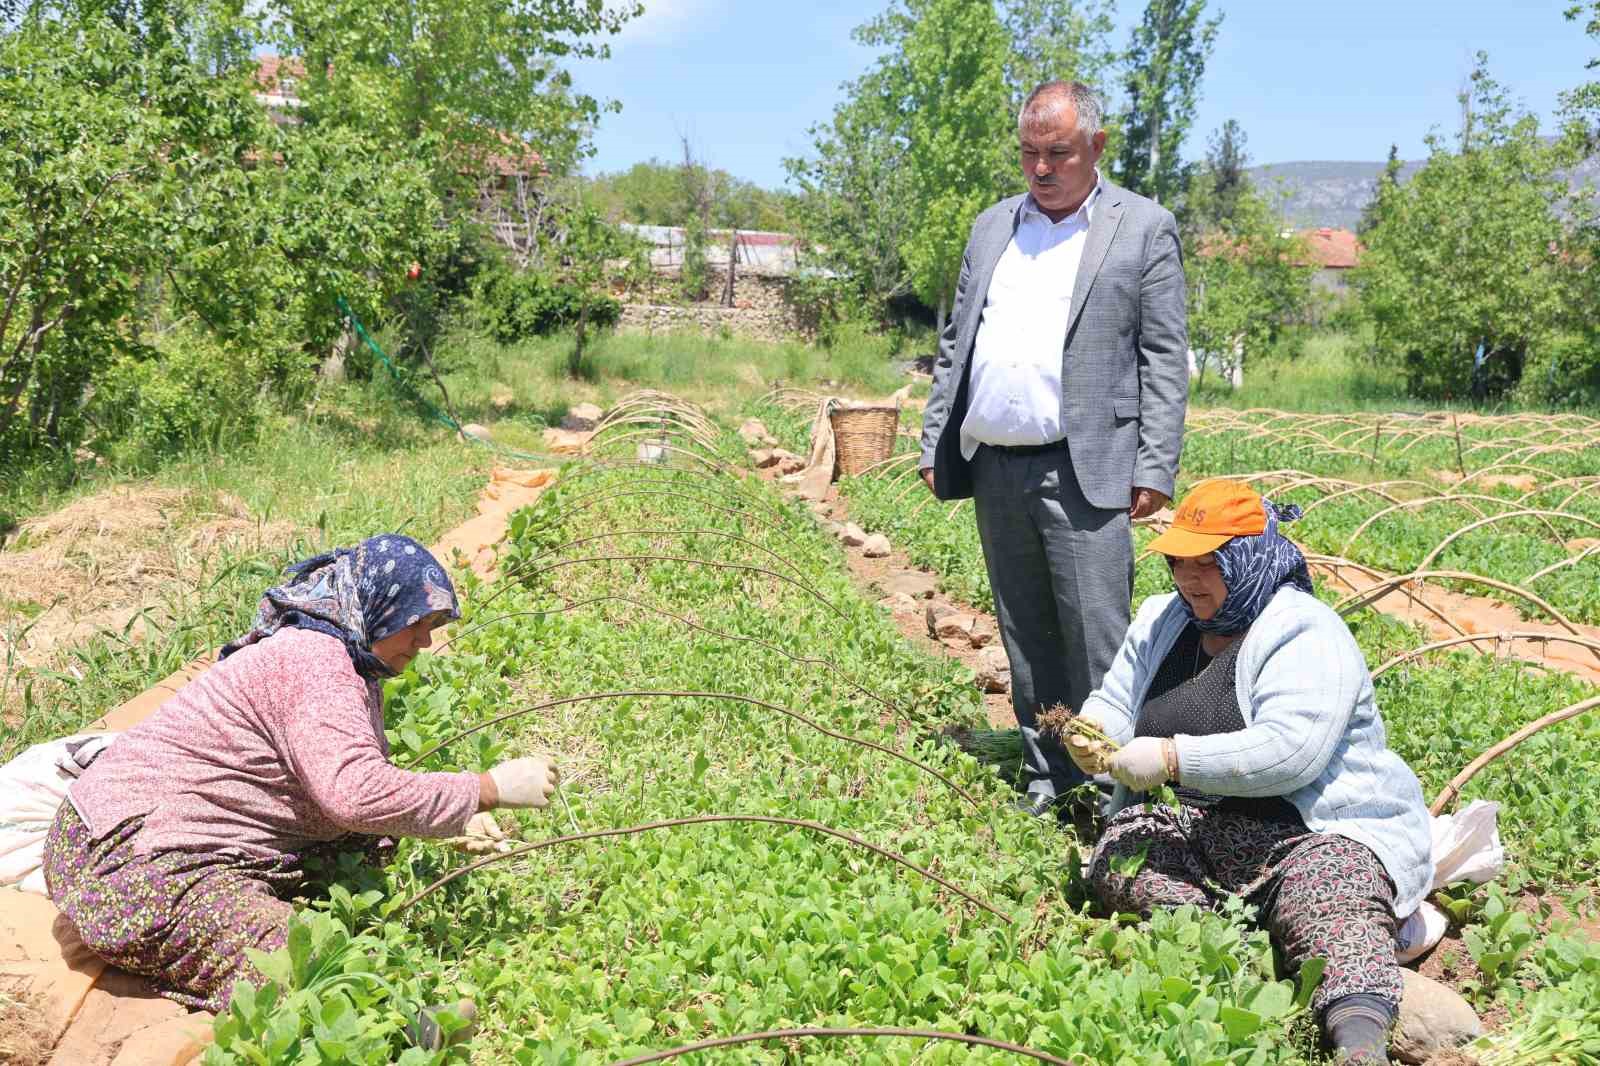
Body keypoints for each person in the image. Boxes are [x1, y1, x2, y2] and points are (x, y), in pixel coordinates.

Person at [42, 534, 557, 1029]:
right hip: (122, 857)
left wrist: (452, 817)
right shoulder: (315, 662)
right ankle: (391, 1026)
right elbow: (356, 793)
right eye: (418, 623)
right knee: (294, 954)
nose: (425, 641)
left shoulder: (349, 659)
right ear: (381, 608)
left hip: (165, 833)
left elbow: (352, 790)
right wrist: (485, 787)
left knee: (368, 843)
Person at [1068, 480, 1434, 1065]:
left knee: (1332, 896)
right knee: (1122, 859)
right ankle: (1232, 947)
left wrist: (1171, 758)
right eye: (1179, 560)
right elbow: (1118, 696)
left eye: (1208, 561)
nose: (1190, 577)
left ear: (1247, 557)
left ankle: (1359, 1042)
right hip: (1193, 827)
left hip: (1305, 834)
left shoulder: (1302, 630)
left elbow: (1292, 753)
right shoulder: (1164, 617)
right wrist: (1095, 731)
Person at [918, 80, 1189, 816]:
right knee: (1027, 639)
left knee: (1098, 640)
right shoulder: (991, 229)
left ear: (1096, 147)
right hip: (998, 465)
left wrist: (1154, 464)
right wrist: (933, 432)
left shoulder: (1142, 228)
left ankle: (1117, 798)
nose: (1041, 168)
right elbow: (956, 344)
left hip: (1086, 467)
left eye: (1058, 153)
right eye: (1029, 153)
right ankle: (1049, 781)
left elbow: (1165, 356)